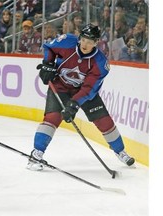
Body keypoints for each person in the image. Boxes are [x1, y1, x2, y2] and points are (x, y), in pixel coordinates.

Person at [27, 23, 135, 171]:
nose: (85, 44)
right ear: (79, 38)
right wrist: (47, 64)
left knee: (104, 121)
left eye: (90, 41)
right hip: (60, 87)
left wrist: (74, 104)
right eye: (84, 39)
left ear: (96, 43)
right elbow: (49, 48)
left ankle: (120, 151)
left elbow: (88, 88)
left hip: (84, 93)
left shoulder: (100, 63)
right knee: (52, 118)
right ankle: (36, 154)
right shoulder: (67, 42)